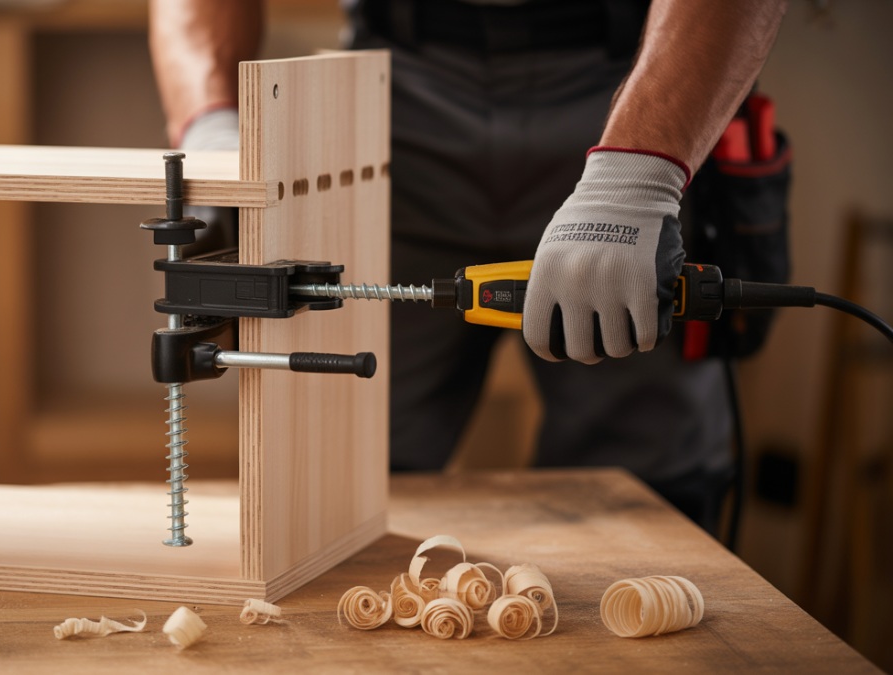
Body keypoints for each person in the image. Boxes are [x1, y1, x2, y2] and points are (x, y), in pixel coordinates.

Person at [148, 0, 788, 533]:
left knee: (651, 485)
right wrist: (213, 130)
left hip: (637, 77)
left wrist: (636, 177)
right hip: (394, 95)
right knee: (338, 480)